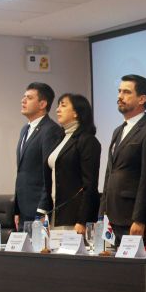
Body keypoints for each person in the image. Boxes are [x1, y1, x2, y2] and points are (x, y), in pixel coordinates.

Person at [99, 74, 146, 243]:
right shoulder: (118, 130)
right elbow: (110, 174)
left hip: (132, 218)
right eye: (119, 91)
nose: (120, 96)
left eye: (126, 92)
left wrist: (140, 219)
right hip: (111, 217)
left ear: (142, 99)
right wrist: (101, 214)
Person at [37, 93, 101, 234]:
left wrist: (82, 220)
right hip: (55, 214)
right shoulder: (60, 138)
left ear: (76, 113)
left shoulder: (87, 141)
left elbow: (90, 185)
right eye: (58, 105)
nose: (57, 109)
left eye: (63, 105)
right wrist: (44, 211)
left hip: (75, 218)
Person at [14, 82, 62, 228]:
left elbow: (48, 173)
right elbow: (22, 172)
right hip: (23, 210)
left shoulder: (50, 130)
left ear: (42, 104)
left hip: (38, 210)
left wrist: (42, 209)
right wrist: (16, 209)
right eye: (24, 97)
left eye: (29, 98)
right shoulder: (25, 129)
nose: (23, 101)